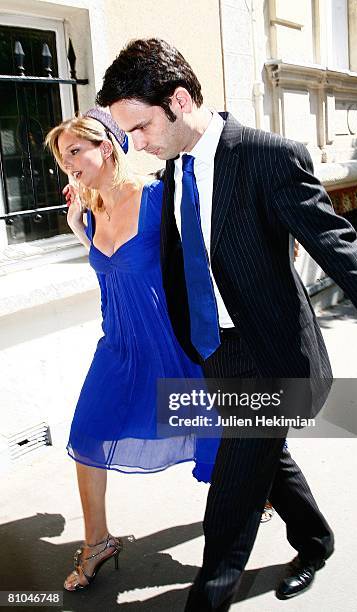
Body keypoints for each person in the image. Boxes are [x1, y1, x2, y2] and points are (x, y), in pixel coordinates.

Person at [96, 38, 357, 610]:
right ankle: (316, 541)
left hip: (273, 355)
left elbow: (345, 254)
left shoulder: (268, 156)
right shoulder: (172, 171)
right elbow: (177, 260)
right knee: (268, 455)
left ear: (180, 101)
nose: (135, 144)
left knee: (233, 496)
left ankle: (209, 596)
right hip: (218, 351)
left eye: (139, 128)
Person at [45, 109, 220, 591]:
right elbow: (110, 272)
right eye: (63, 158)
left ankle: (259, 487)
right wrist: (78, 227)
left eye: (74, 151)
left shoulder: (159, 199)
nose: (68, 164)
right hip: (119, 345)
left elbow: (202, 256)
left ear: (106, 146)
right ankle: (97, 539)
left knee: (214, 427)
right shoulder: (89, 208)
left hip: (169, 340)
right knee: (86, 435)